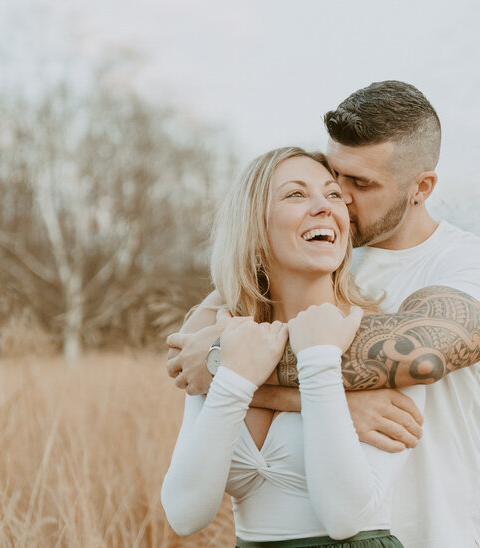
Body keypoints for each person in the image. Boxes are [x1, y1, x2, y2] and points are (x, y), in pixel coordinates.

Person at [167, 81, 480, 547]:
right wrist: (325, 401)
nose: (340, 199)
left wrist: (232, 365)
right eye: (336, 178)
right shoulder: (324, 259)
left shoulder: (470, 264)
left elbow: (418, 356)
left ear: (422, 188)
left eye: (362, 184)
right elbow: (192, 347)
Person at [162, 146, 424, 547]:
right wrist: (233, 379)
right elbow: (184, 513)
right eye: (296, 194)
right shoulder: (228, 341)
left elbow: (343, 517)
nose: (325, 206)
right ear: (254, 226)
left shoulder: (379, 338)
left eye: (333, 194)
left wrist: (320, 358)